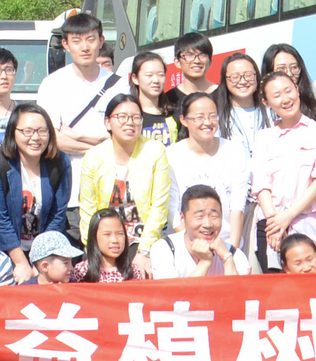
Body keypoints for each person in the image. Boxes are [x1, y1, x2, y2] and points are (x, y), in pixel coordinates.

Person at [249, 70, 316, 269]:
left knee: (308, 280)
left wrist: (288, 216)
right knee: (276, 283)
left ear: (297, 90)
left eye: (288, 91)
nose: (285, 99)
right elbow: (260, 183)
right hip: (270, 224)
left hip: (306, 221)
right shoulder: (263, 137)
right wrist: (275, 221)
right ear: (266, 102)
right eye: (277, 95)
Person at [76, 93, 170, 272]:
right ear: (107, 122)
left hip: (142, 239)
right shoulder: (94, 156)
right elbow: (88, 210)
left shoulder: (155, 151)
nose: (130, 122)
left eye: (135, 117)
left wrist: (144, 251)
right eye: (122, 117)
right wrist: (94, 248)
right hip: (104, 239)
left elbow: (159, 207)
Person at [0, 104, 69, 281]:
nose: (35, 137)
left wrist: (39, 261)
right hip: (5, 251)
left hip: (45, 253)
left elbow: (57, 216)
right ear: (13, 132)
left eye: (42, 131)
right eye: (27, 131)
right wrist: (21, 262)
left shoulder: (60, 162)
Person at [36, 11, 125, 165]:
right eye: (76, 41)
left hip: (111, 171)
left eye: (91, 40)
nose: (85, 47)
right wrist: (99, 145)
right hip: (67, 172)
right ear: (66, 44)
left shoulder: (120, 85)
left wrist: (76, 136)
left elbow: (124, 135)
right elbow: (51, 137)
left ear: (101, 41)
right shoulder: (52, 84)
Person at [164, 89, 251, 247]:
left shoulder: (234, 151)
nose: (207, 122)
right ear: (184, 120)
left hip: (226, 242)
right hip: (186, 245)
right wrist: (193, 247)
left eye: (212, 116)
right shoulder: (171, 156)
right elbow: (173, 212)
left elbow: (237, 205)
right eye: (199, 117)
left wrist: (232, 249)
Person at [154, 185, 250, 277]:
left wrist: (227, 260)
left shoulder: (236, 256)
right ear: (182, 218)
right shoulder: (165, 249)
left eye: (214, 216)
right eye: (199, 216)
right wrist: (205, 262)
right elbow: (175, 289)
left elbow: (235, 288)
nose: (207, 224)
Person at [259, 43, 316, 120]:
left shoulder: (315, 109)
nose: (289, 74)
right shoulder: (260, 114)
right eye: (281, 69)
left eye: (294, 67)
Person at [127, 52, 178, 145]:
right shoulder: (129, 116)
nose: (156, 80)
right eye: (149, 75)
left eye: (161, 75)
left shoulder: (174, 113)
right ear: (135, 78)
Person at [218, 53, 268, 142]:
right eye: (235, 77)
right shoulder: (217, 117)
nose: (243, 81)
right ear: (225, 81)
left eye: (248, 75)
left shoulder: (271, 112)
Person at [80, 208, 140, 282]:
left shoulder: (134, 272)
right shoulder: (82, 271)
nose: (115, 240)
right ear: (94, 237)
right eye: (107, 234)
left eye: (120, 234)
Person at [169, 33, 219, 116]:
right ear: (177, 62)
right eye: (189, 55)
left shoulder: (224, 94)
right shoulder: (169, 100)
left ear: (210, 61)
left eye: (202, 55)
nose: (197, 61)